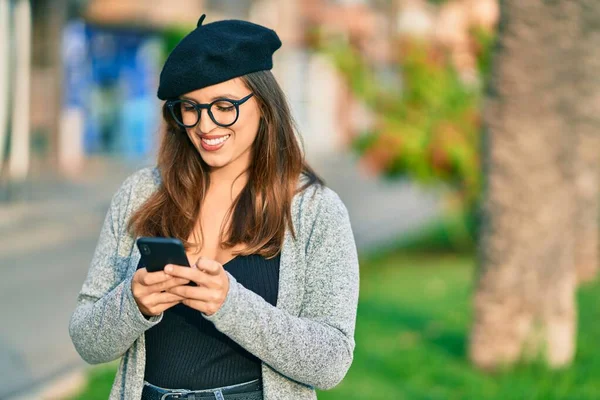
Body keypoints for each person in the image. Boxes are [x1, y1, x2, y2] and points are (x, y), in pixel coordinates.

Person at [69, 13, 359, 400]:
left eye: (224, 105)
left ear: (264, 104)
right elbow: (88, 341)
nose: (205, 126)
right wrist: (132, 302)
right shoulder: (140, 194)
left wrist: (229, 304)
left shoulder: (314, 210)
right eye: (190, 107)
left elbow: (331, 361)